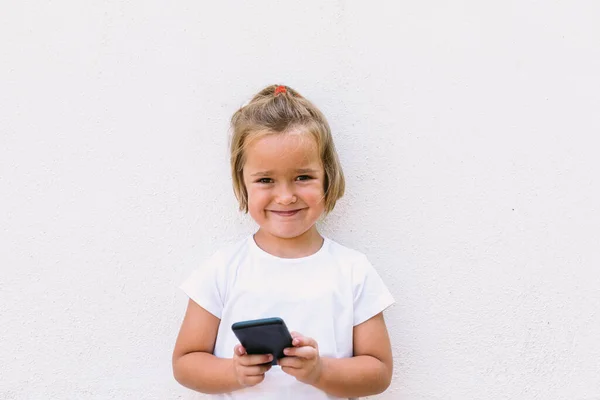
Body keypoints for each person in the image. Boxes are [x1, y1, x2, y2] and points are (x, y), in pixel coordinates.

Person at [172, 84, 395, 399]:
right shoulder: (222, 268)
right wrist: (234, 373)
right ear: (243, 183)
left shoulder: (353, 271)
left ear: (327, 177)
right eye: (265, 180)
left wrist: (319, 372)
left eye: (303, 177)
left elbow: (379, 372)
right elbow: (185, 362)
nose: (286, 196)